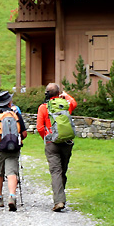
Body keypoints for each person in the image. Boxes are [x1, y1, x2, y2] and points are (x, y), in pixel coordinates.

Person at [36, 82, 77, 211]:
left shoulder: (43, 107)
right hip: (67, 142)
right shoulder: (65, 105)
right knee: (62, 170)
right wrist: (65, 95)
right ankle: (61, 196)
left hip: (51, 143)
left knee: (56, 172)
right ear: (59, 93)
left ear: (47, 94)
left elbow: (39, 127)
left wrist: (47, 139)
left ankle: (59, 200)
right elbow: (74, 103)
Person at [0, 90, 27, 211]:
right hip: (13, 148)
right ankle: (12, 196)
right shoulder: (16, 114)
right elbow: (24, 133)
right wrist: (17, 139)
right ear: (9, 102)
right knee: (12, 172)